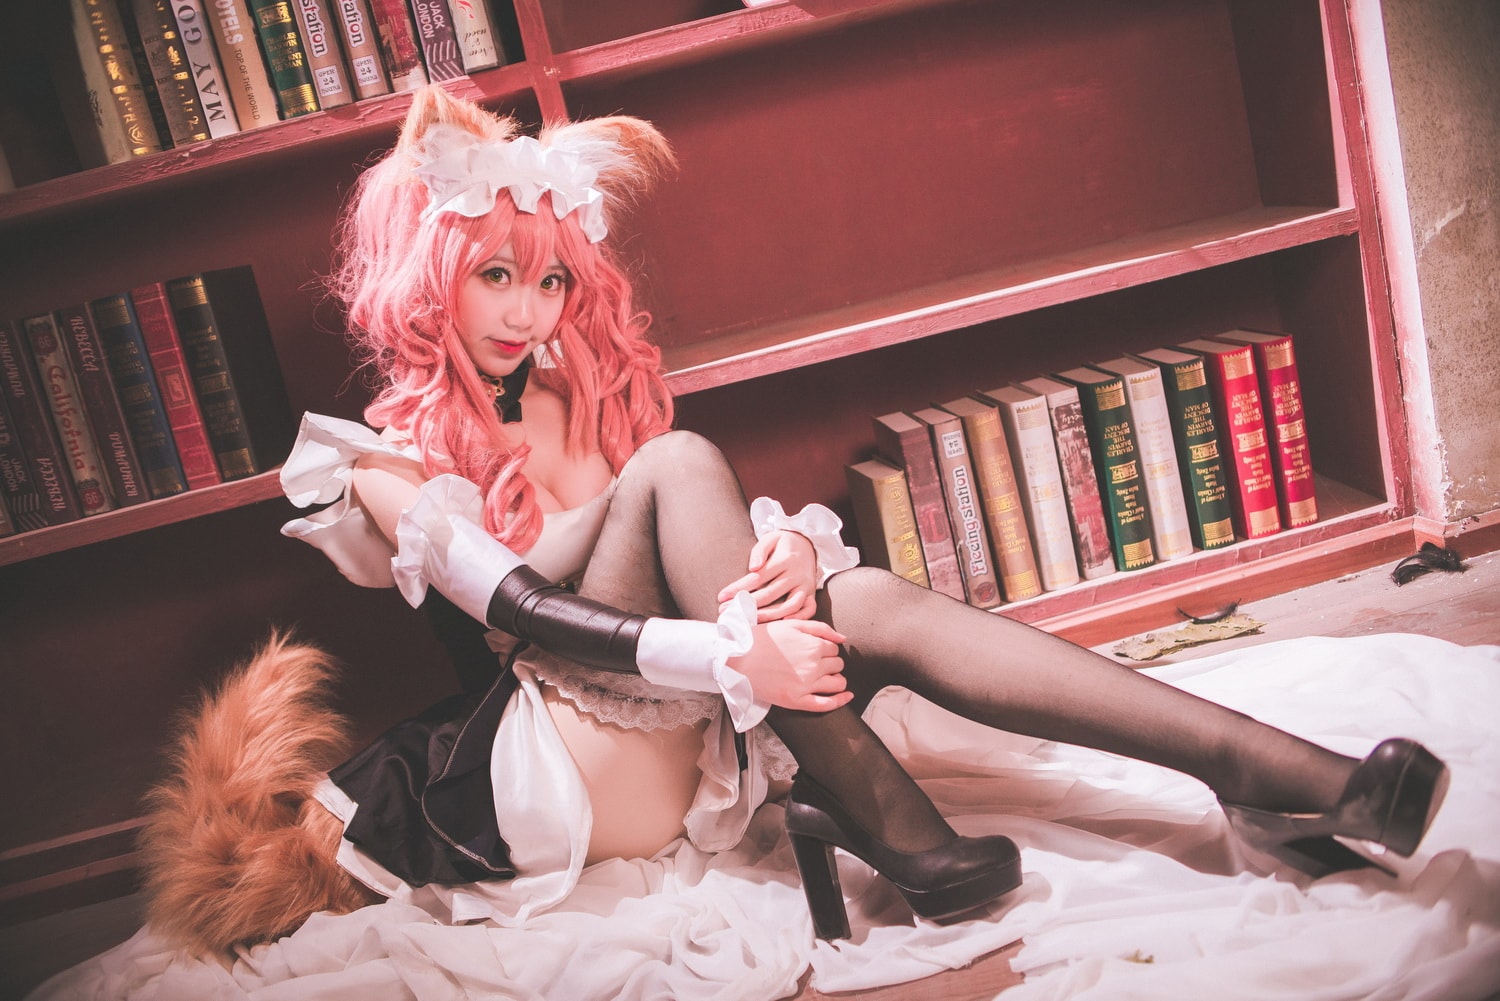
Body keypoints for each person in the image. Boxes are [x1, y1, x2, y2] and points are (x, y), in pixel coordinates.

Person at [137, 85, 1449, 957]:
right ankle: (883, 813)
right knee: (681, 463)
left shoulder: (579, 401)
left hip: (680, 722)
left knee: (854, 594)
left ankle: (1276, 776)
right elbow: (523, 610)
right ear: (431, 278)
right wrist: (735, 653)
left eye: (550, 281)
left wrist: (779, 563)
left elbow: (684, 553)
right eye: (495, 276)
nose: (528, 313)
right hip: (557, 761)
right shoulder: (377, 457)